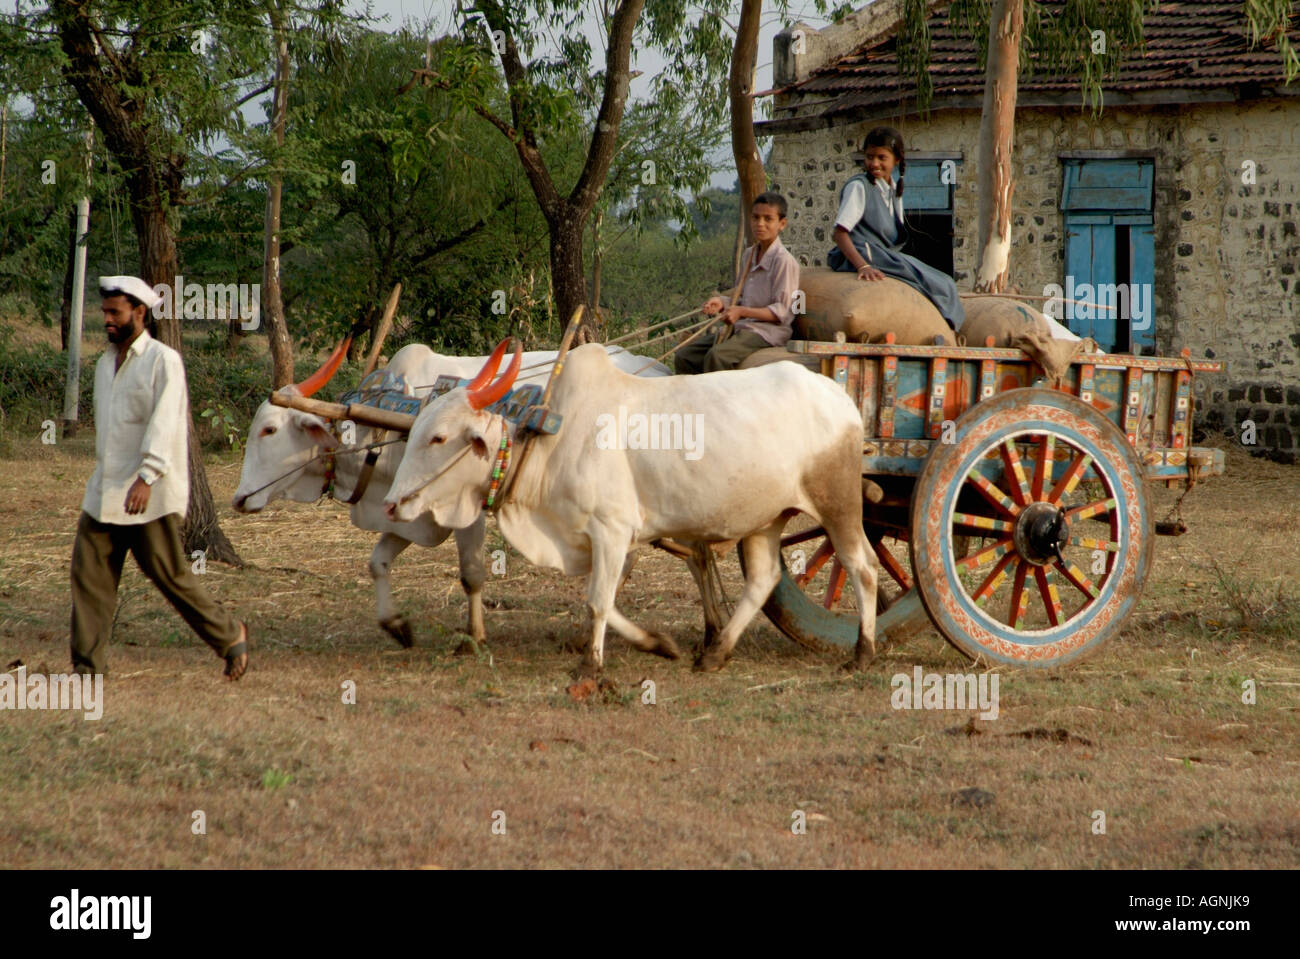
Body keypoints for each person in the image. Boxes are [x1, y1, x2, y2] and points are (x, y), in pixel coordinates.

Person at [70, 275, 250, 680]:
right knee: (89, 575)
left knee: (168, 574)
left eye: (115, 313)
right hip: (106, 490)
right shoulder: (104, 364)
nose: (108, 320)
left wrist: (146, 477)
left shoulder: (163, 360)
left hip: (147, 491)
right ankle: (87, 669)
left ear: (140, 313)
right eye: (105, 312)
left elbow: (166, 423)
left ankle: (230, 635)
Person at [827, 126, 965, 332]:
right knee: (932, 283)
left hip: (884, 254)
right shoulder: (859, 187)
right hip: (864, 254)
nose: (874, 163)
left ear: (896, 160)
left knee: (944, 281)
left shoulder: (893, 189)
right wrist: (862, 266)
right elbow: (839, 233)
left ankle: (947, 326)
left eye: (882, 157)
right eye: (870, 157)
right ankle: (946, 326)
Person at [675, 192, 800, 374]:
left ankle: (717, 402)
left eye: (768, 219)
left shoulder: (784, 261)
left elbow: (783, 312)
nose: (760, 224)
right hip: (742, 327)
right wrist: (722, 303)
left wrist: (741, 312)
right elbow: (741, 297)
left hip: (766, 332)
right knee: (684, 355)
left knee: (718, 356)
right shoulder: (749, 254)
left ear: (782, 224)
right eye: (756, 217)